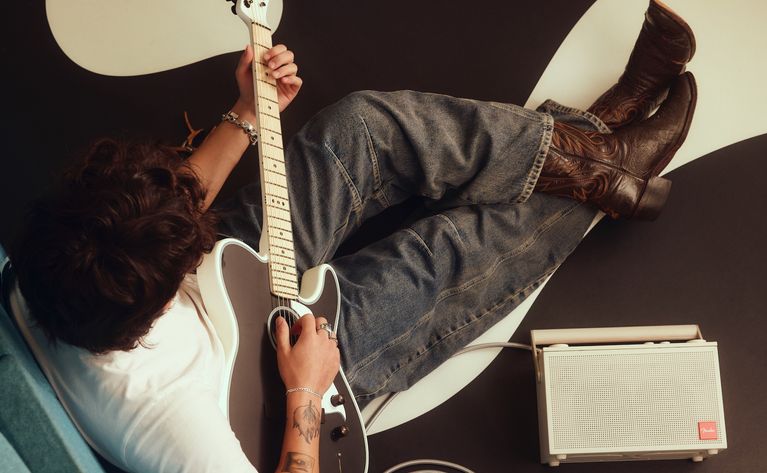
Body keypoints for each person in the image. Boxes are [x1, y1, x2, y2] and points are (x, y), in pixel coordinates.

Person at [8, 1, 695, 472]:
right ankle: (604, 142)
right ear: (159, 300)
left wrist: (248, 113)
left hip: (220, 276)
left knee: (361, 129)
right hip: (269, 384)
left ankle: (595, 154)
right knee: (443, 258)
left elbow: (161, 213)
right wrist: (306, 391)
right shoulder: (176, 431)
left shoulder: (47, 263)